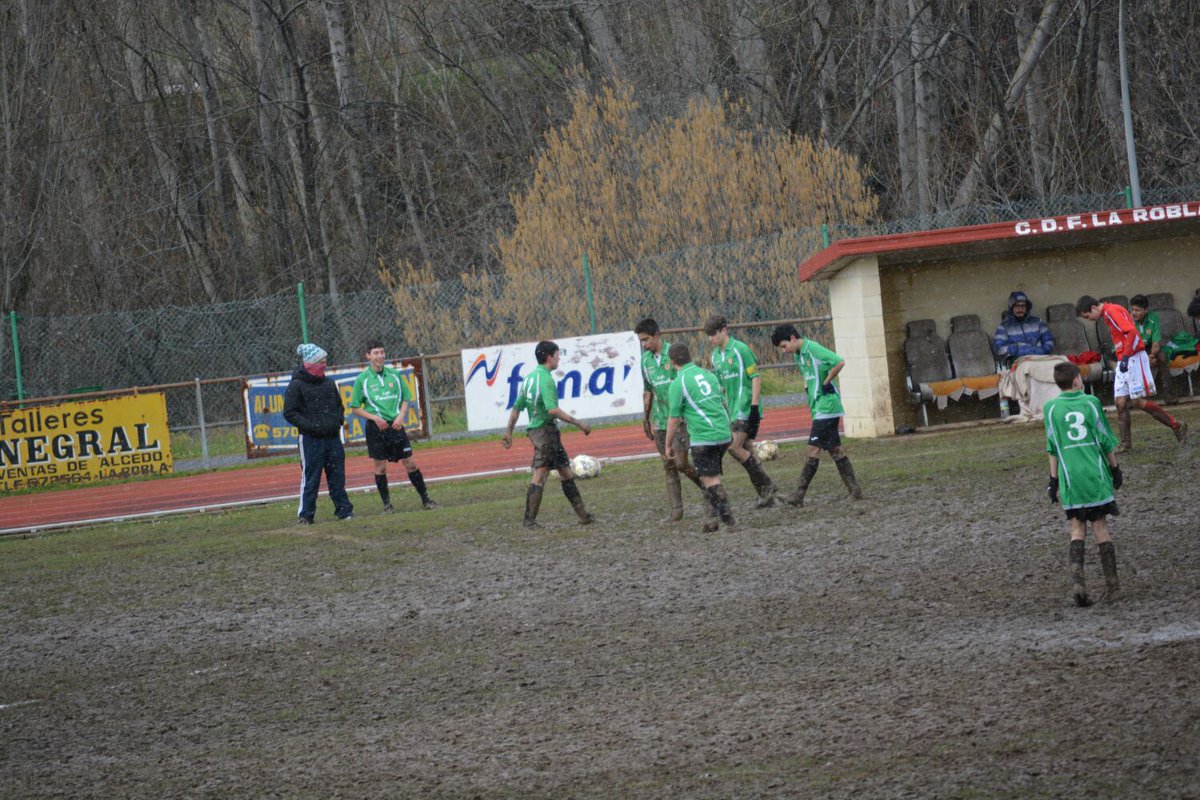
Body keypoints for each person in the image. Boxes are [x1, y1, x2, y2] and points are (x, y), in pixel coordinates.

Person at [1044, 362, 1123, 607]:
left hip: (1070, 479)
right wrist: (1115, 468)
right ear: (1078, 380)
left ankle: (1078, 583)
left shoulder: (1051, 409)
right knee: (1100, 528)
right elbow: (1104, 440)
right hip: (1095, 476)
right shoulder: (1091, 403)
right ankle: (1113, 587)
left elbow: (1052, 447)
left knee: (1077, 529)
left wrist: (1053, 480)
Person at [501, 340, 594, 528]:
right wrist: (578, 423)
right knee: (540, 473)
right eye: (557, 355)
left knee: (566, 471)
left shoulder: (529, 378)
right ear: (549, 357)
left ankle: (584, 515)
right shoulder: (546, 379)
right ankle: (529, 520)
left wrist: (509, 432)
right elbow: (553, 410)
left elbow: (516, 408)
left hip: (545, 431)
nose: (559, 358)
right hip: (544, 432)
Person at [1077, 295, 1187, 451]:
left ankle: (1177, 425)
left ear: (1093, 308)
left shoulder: (1111, 312)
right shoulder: (1110, 311)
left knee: (1137, 401)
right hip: (1126, 357)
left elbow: (1132, 334)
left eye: (1087, 316)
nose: (1089, 319)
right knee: (1119, 402)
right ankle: (1125, 444)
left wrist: (1127, 357)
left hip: (1132, 357)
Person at [770, 324, 863, 506]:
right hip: (820, 407)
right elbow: (809, 374)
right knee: (835, 449)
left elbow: (839, 361)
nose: (784, 351)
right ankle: (855, 490)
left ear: (792, 338)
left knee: (813, 449)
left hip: (826, 407)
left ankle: (798, 496)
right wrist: (808, 388)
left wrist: (827, 382)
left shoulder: (812, 348)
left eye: (784, 346)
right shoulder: (799, 354)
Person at [348, 340, 438, 512]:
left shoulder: (394, 375)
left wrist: (400, 416)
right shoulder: (362, 380)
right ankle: (387, 505)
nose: (380, 356)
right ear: (368, 356)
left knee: (410, 463)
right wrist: (374, 418)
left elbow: (406, 397)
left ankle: (426, 500)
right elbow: (355, 408)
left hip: (395, 427)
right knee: (380, 467)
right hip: (376, 429)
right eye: (376, 353)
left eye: (382, 352)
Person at [636, 318, 706, 521]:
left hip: (679, 419)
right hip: (660, 420)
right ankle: (677, 512)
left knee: (682, 464)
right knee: (668, 465)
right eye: (641, 341)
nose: (644, 344)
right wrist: (645, 419)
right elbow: (648, 391)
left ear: (657, 335)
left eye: (646, 339)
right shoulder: (645, 361)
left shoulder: (674, 354)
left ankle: (708, 487)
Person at [703, 314, 775, 507]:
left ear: (724, 330)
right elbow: (722, 385)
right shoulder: (715, 356)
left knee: (734, 447)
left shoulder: (740, 349)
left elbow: (756, 376)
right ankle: (766, 495)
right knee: (748, 449)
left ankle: (767, 484)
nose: (710, 339)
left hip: (746, 407)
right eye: (708, 336)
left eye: (713, 334)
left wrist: (753, 405)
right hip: (733, 410)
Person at [664, 343, 735, 532]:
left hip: (704, 438)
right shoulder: (708, 375)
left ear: (671, 362)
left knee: (711, 480)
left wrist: (667, 444)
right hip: (724, 434)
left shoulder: (678, 384)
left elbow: (673, 419)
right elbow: (722, 401)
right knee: (709, 476)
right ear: (690, 356)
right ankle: (710, 519)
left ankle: (729, 521)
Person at [283, 342, 354, 524]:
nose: (325, 364)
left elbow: (339, 407)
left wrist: (337, 422)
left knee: (337, 477)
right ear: (311, 363)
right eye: (321, 361)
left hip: (332, 439)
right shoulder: (296, 386)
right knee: (311, 478)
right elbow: (290, 413)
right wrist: (311, 427)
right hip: (310, 440)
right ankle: (306, 515)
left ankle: (344, 510)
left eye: (325, 361)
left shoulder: (329, 384)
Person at [1129, 294, 1176, 405]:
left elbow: (1156, 343)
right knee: (1132, 364)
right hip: (1132, 349)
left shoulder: (1153, 317)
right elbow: (1129, 345)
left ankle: (1169, 395)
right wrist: (1145, 359)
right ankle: (1131, 399)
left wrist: (1151, 355)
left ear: (1146, 310)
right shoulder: (1128, 320)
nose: (1134, 313)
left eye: (1138, 310)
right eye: (1132, 309)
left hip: (1148, 347)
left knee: (1162, 358)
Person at [993, 291, 1055, 365]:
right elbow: (998, 349)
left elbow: (1049, 340)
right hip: (1018, 362)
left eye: (1023, 306)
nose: (1020, 309)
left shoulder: (1037, 322)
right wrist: (1018, 349)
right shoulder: (1003, 327)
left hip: (1039, 359)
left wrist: (1042, 350)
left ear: (1027, 308)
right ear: (1011, 308)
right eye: (1017, 306)